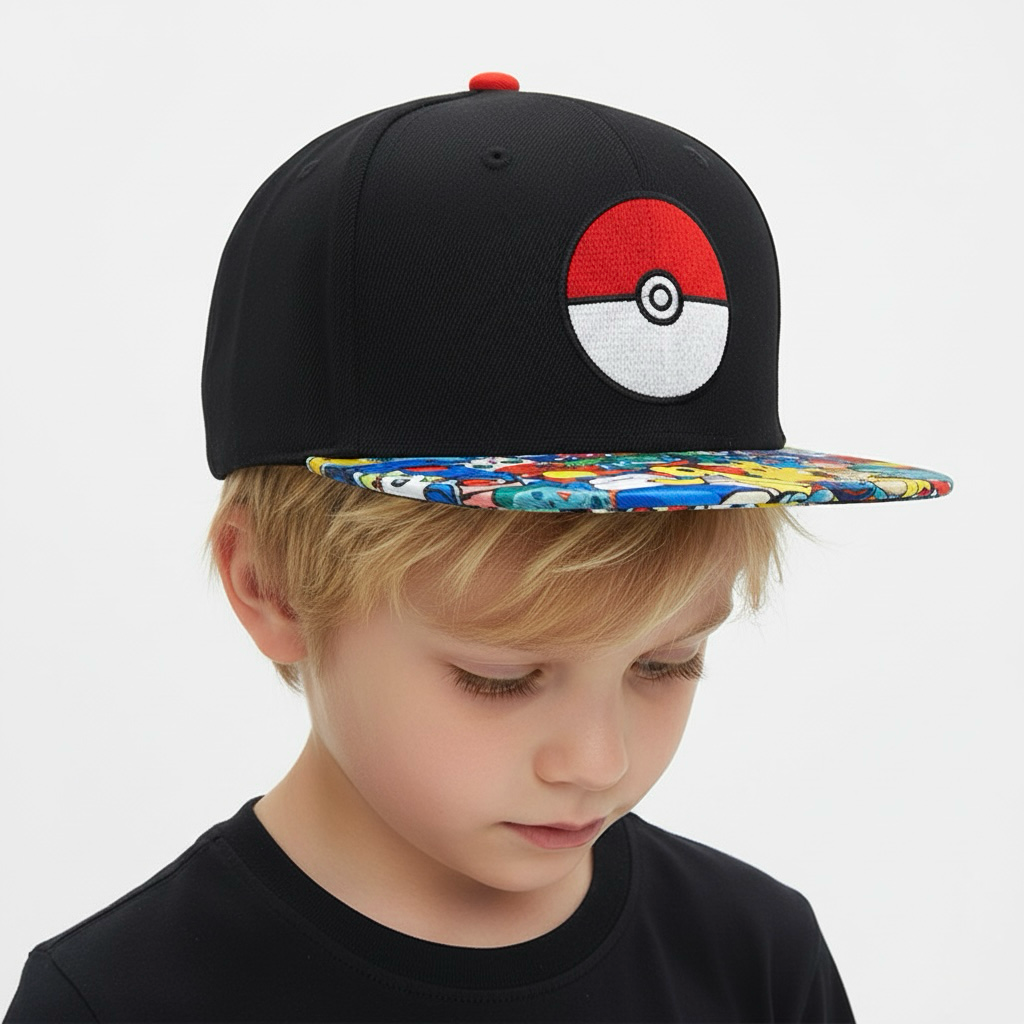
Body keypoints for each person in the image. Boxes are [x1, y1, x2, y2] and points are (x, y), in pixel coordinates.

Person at [3, 70, 952, 1023]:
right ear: (272, 585)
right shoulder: (116, 1004)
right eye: (500, 677)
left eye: (668, 663)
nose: (597, 761)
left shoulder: (756, 958)